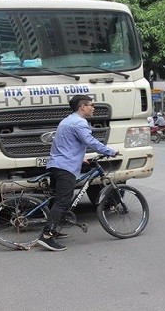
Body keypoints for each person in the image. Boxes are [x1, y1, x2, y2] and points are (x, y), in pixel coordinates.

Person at [37, 95, 118, 251]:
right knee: (63, 201)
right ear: (82, 107)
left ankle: (53, 230)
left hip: (56, 164)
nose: (93, 108)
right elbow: (90, 141)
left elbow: (63, 144)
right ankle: (46, 236)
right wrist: (110, 151)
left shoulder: (66, 120)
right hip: (65, 167)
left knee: (56, 200)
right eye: (91, 105)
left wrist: (80, 158)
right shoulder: (79, 123)